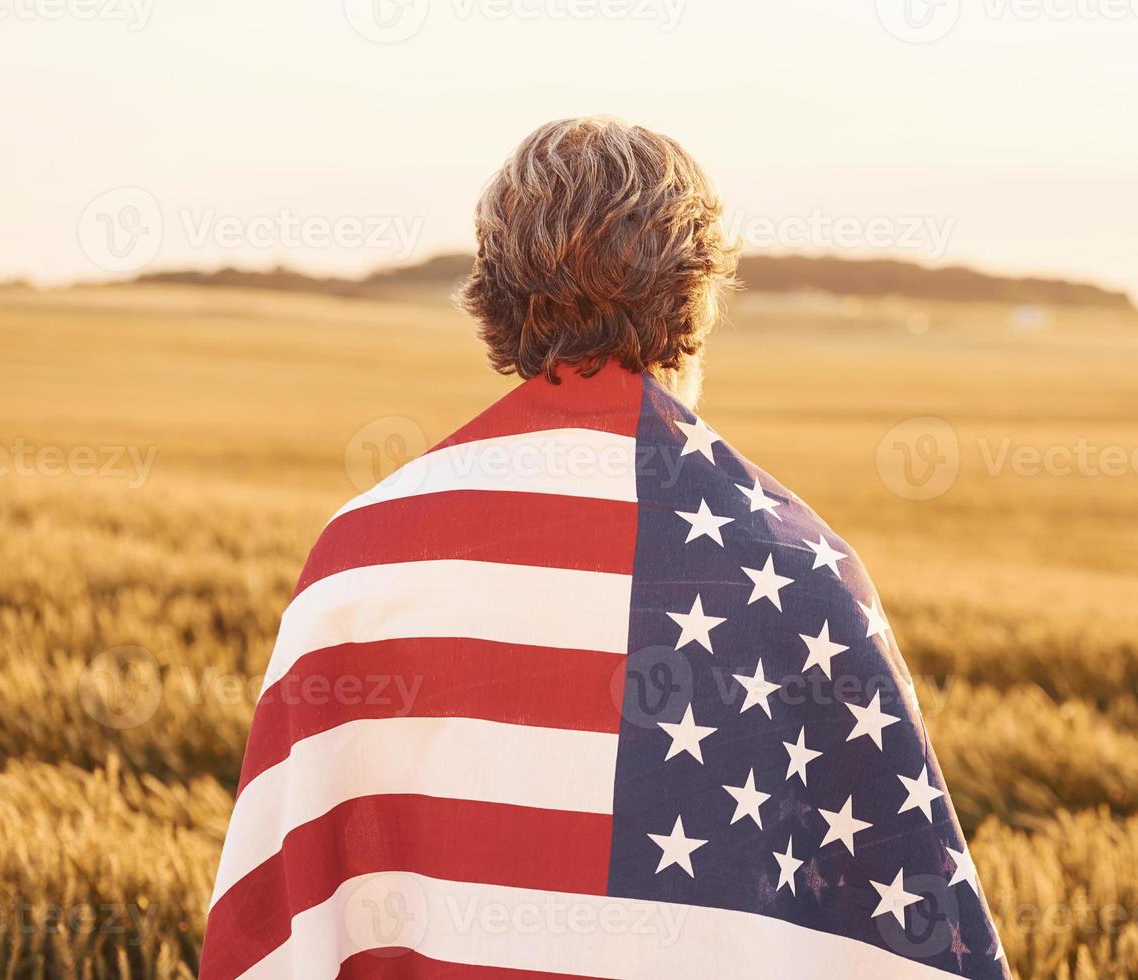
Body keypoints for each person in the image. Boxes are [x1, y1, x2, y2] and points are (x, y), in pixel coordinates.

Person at [201, 116, 1010, 980]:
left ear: (494, 296)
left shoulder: (360, 555)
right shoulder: (807, 571)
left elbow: (276, 932)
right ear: (697, 297)